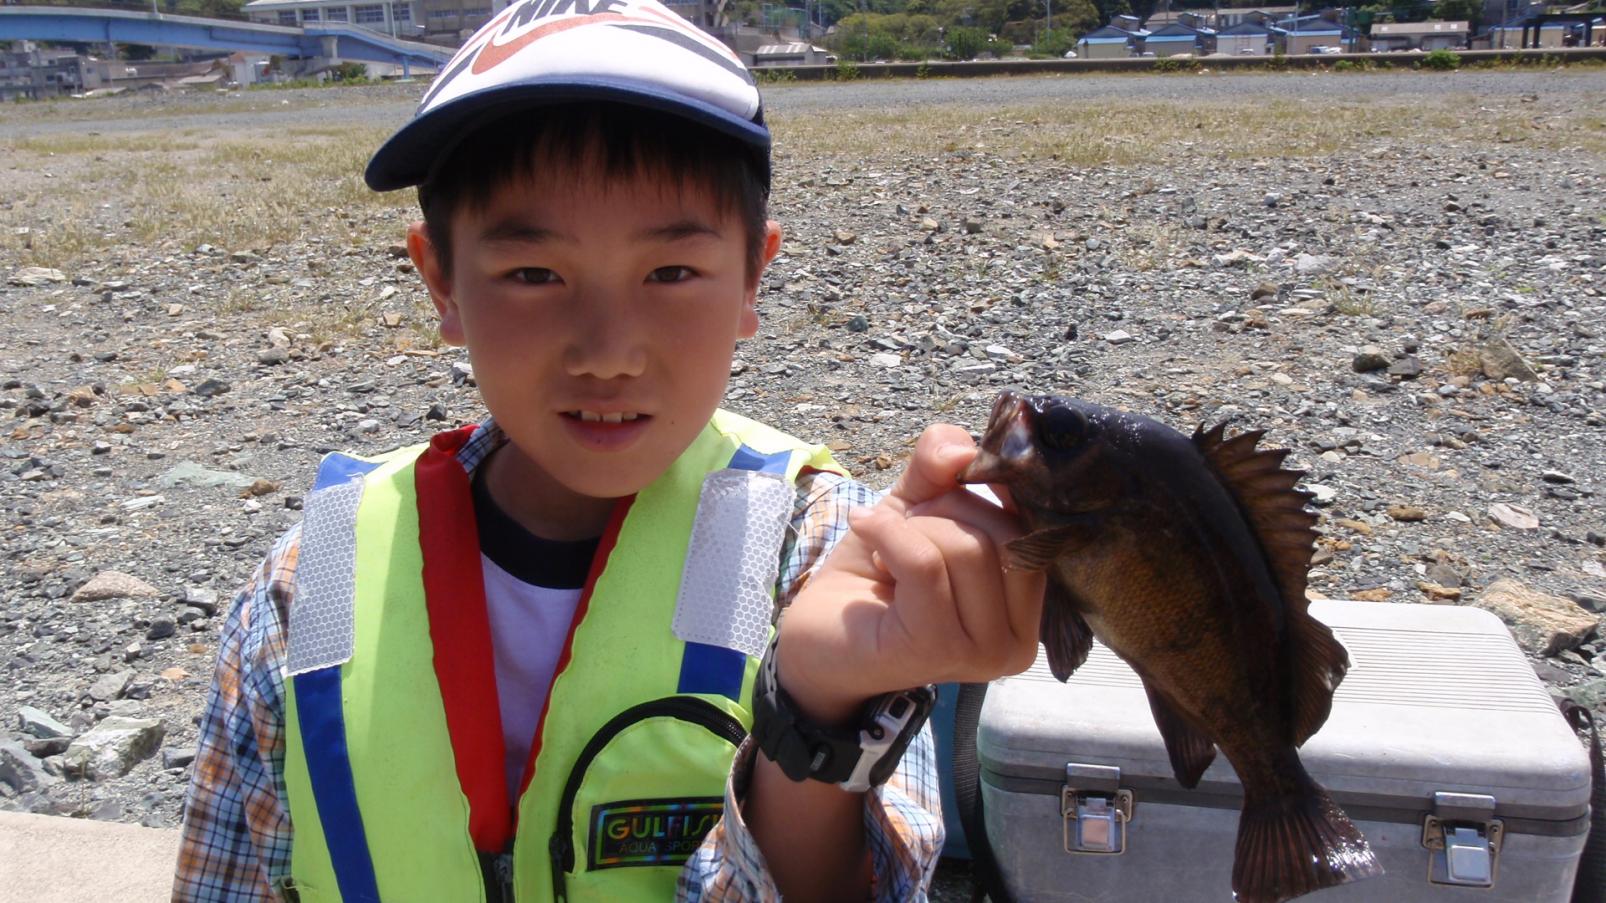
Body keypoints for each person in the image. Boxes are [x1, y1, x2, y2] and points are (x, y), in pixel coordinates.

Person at [171, 1, 1044, 899]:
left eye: (670, 273)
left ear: (753, 276)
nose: (608, 352)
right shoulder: (309, 586)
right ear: (441, 281)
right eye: (533, 275)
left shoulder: (819, 553)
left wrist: (814, 707)